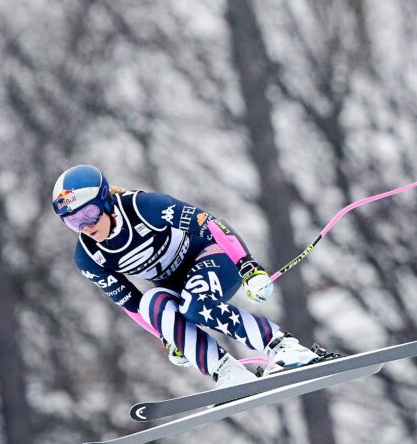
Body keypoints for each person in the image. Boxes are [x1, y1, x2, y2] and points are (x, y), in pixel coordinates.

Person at [52, 164, 324, 386]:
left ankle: (282, 346)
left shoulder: (143, 207)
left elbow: (209, 224)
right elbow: (131, 305)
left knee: (195, 302)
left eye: (89, 214)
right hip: (179, 288)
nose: (85, 226)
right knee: (151, 304)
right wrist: (166, 336)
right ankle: (228, 372)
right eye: (73, 221)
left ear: (105, 201)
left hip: (214, 258)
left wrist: (248, 266)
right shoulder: (87, 256)